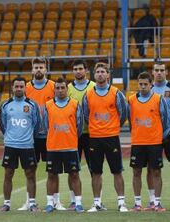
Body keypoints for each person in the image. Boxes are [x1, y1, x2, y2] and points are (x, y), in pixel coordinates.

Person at [82, 62, 128, 212]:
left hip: (111, 137)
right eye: (98, 72)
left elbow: (123, 113)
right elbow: (85, 115)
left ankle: (121, 203)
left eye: (103, 71)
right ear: (94, 75)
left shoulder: (116, 93)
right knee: (96, 171)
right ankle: (97, 203)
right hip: (94, 137)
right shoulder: (88, 94)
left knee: (117, 171)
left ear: (108, 75)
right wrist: (96, 127)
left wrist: (113, 127)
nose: (100, 74)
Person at [20, 57, 65, 210]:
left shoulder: (53, 86)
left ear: (46, 69)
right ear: (32, 70)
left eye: (41, 67)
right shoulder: (25, 87)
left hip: (50, 136)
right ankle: (29, 201)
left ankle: (55, 201)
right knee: (30, 170)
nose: (38, 70)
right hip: (31, 137)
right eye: (36, 67)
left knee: (53, 171)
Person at [0, 77, 40, 212]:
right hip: (11, 145)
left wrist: (28, 137)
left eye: (22, 86)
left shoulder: (32, 105)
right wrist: (10, 136)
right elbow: (2, 124)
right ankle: (6, 204)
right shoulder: (5, 105)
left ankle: (32, 203)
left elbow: (37, 124)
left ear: (25, 88)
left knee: (30, 174)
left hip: (27, 145)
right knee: (8, 173)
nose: (19, 89)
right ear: (12, 88)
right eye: (17, 86)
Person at [128, 72, 168, 212]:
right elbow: (131, 120)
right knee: (136, 172)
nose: (143, 87)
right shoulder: (132, 100)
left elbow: (165, 118)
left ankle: (157, 203)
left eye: (146, 84)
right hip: (138, 142)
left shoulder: (158, 99)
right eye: (141, 84)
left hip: (154, 142)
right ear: (138, 84)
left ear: (151, 84)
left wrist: (160, 136)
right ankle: (137, 203)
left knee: (156, 172)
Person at [44, 77, 84, 213]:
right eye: (58, 88)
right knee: (51, 175)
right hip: (53, 147)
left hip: (70, 147)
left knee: (74, 174)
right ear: (54, 90)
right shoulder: (48, 105)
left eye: (63, 88)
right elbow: (45, 125)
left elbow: (79, 126)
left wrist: (71, 136)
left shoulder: (74, 104)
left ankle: (78, 203)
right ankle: (50, 203)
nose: (60, 90)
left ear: (67, 90)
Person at [149, 62, 170, 211]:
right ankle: (154, 201)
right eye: (156, 70)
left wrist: (165, 133)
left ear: (166, 72)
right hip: (153, 136)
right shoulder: (148, 89)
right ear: (152, 72)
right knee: (153, 169)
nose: (159, 73)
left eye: (162, 70)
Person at [67, 60, 96, 209]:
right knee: (72, 170)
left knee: (94, 169)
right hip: (73, 135)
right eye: (75, 69)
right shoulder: (68, 88)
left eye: (80, 69)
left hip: (91, 134)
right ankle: (74, 200)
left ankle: (97, 201)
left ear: (86, 70)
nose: (78, 71)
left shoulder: (93, 87)